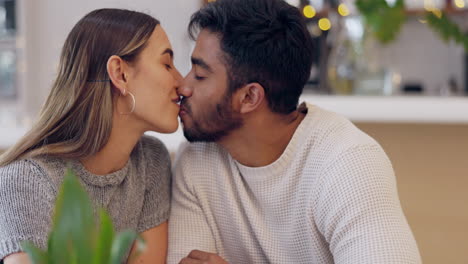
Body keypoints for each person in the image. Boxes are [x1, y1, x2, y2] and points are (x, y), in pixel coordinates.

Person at [168, 0, 421, 263]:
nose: (182, 86)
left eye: (199, 74)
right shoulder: (197, 157)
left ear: (249, 97)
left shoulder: (348, 163)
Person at [0, 8, 182, 264]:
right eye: (166, 65)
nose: (182, 82)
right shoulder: (26, 180)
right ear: (120, 74)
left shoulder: (151, 161)